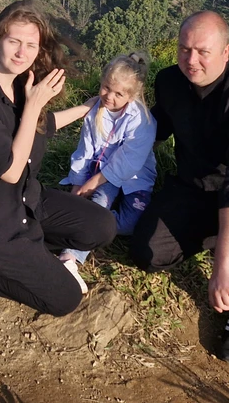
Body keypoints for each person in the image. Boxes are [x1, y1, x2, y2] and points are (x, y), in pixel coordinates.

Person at [0, 0, 117, 316]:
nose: (21, 52)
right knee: (65, 298)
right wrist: (33, 105)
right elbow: (12, 170)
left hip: (26, 200)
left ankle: (29, 254)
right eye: (13, 41)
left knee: (101, 226)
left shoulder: (19, 83)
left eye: (30, 45)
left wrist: (88, 107)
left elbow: (40, 126)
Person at [130, 11, 229, 366]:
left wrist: (223, 264)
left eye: (203, 51)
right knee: (148, 253)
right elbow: (156, 128)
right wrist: (110, 162)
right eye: (184, 49)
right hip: (195, 183)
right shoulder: (170, 81)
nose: (191, 60)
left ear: (226, 52)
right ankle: (219, 233)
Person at [56, 52, 157, 292]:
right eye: (106, 88)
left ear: (132, 95)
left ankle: (86, 224)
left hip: (132, 178)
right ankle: (69, 257)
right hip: (102, 173)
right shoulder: (95, 112)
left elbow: (127, 164)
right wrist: (77, 184)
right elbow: (84, 150)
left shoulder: (142, 121)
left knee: (131, 223)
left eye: (118, 94)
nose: (109, 96)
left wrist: (91, 184)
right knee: (98, 204)